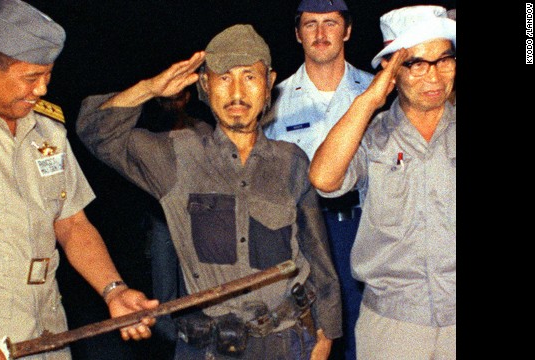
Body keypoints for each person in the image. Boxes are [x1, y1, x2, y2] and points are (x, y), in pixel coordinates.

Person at [76, 24, 342, 360]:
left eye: (250, 77)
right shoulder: (174, 156)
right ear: (205, 84)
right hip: (211, 349)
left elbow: (317, 252)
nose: (237, 92)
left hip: (289, 342)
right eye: (224, 77)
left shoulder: (291, 160)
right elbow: (95, 132)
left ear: (269, 83)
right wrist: (148, 89)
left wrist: (326, 333)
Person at [0, 1, 158, 359]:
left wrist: (113, 290)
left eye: (48, 75)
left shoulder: (48, 131)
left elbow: (71, 223)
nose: (42, 89)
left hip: (47, 331)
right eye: (31, 78)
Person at [308, 5, 456, 359]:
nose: (433, 77)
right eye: (417, 63)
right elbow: (323, 179)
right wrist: (370, 99)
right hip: (392, 324)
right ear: (391, 69)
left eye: (444, 60)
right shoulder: (372, 136)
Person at [262, 1, 373, 358]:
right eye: (310, 24)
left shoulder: (375, 92)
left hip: (365, 226)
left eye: (331, 23)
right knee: (311, 337)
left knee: (368, 332)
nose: (321, 34)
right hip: (304, 234)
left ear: (348, 30)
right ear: (297, 33)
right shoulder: (274, 101)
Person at [139, 87, 214, 354]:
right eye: (166, 99)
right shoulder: (148, 132)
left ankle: (194, 342)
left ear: (186, 98)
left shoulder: (203, 130)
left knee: (196, 283)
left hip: (197, 219)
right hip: (161, 219)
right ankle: (171, 340)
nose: (172, 104)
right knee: (163, 285)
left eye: (178, 98)